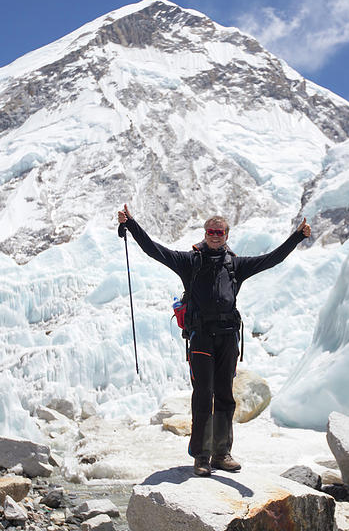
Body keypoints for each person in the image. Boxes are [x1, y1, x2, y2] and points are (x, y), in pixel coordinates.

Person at [116, 204, 311, 476]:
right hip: (201, 339)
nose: (215, 235)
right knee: (202, 396)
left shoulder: (236, 265)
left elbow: (271, 259)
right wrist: (132, 223)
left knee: (225, 397)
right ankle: (201, 457)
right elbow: (153, 250)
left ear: (227, 235)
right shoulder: (189, 262)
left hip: (228, 339)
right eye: (211, 231)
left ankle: (222, 454)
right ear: (205, 233)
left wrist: (298, 236)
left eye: (219, 231)